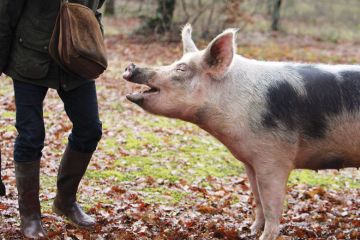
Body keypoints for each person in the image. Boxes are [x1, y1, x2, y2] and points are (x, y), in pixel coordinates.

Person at [0, 0, 105, 238]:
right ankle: (30, 216)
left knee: (89, 129)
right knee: (31, 136)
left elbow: (94, 8)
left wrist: (91, 39)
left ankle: (65, 201)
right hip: (30, 58)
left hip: (76, 57)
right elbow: (5, 13)